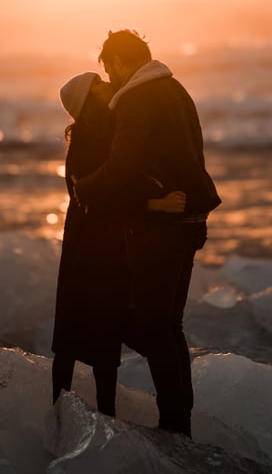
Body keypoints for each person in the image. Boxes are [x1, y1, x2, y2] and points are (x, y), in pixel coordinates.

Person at [73, 31, 221, 436]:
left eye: (111, 69)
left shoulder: (138, 99)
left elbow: (122, 165)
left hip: (166, 226)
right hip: (191, 216)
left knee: (155, 324)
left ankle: (174, 420)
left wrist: (84, 188)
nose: (112, 80)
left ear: (121, 61)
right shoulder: (174, 88)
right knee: (168, 324)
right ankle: (179, 417)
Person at [52, 70, 186, 417]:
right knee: (83, 333)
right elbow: (100, 197)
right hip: (89, 248)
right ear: (86, 102)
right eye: (97, 84)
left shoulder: (105, 131)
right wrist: (155, 205)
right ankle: (61, 414)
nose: (106, 83)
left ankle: (103, 416)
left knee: (103, 333)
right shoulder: (85, 141)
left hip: (107, 244)